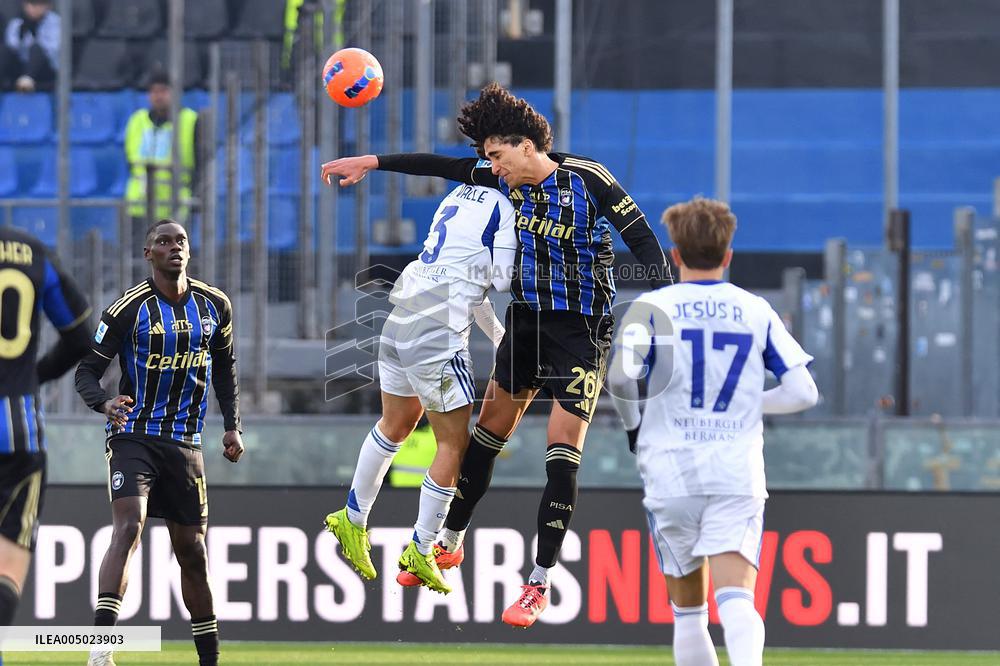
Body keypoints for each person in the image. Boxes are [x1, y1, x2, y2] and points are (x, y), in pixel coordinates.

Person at [320, 83, 670, 625]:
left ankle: (538, 582)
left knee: (560, 455)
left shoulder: (589, 179)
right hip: (526, 325)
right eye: (487, 158)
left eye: (496, 155)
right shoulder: (497, 179)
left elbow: (643, 240)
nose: (490, 166)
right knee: (482, 441)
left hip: (581, 333)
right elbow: (437, 165)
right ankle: (449, 542)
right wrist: (372, 161)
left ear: (526, 146)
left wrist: (673, 302)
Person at [606, 197, 818, 666]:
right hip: (734, 471)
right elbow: (803, 392)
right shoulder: (755, 309)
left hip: (669, 470)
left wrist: (634, 425)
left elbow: (620, 378)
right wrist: (748, 405)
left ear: (675, 256)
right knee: (737, 600)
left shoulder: (650, 306)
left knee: (688, 612)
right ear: (728, 256)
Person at [324, 182, 515, 594]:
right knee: (453, 445)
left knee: (395, 423)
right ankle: (421, 547)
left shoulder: (456, 196)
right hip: (438, 332)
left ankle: (352, 518)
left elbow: (471, 283)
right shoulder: (505, 205)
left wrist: (499, 336)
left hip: (400, 319)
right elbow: (499, 281)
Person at [75, 219, 244, 666]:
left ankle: (210, 659)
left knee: (193, 551)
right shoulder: (128, 308)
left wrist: (232, 425)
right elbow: (85, 372)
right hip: (134, 434)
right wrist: (105, 404)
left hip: (186, 443)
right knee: (130, 526)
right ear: (148, 254)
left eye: (181, 241)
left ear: (189, 250)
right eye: (163, 242)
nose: (174, 247)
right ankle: (99, 650)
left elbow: (225, 369)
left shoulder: (215, 306)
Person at [0, 226, 90, 630]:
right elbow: (81, 339)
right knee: (5, 572)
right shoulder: (32, 253)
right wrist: (32, 377)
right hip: (17, 434)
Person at [124, 70, 200, 278]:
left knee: (175, 265)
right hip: (140, 206)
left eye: (164, 90)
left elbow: (199, 164)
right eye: (154, 91)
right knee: (140, 263)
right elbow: (130, 161)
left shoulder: (190, 120)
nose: (158, 95)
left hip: (175, 207)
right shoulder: (137, 121)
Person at [0, 0, 59, 92]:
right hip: (21, 67)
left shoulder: (55, 22)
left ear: (48, 6)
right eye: (31, 4)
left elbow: (53, 50)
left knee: (36, 48)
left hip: (45, 69)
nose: (35, 9)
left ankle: (27, 79)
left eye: (39, 5)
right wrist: (22, 37)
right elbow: (11, 48)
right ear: (24, 5)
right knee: (3, 50)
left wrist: (33, 36)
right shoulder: (17, 23)